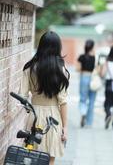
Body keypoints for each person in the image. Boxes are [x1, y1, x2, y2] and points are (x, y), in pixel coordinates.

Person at [20, 31, 70, 165]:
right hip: (53, 119)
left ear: (41, 46)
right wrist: (65, 127)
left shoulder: (29, 68)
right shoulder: (61, 70)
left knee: (30, 158)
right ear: (57, 48)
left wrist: (31, 106)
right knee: (49, 158)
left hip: (34, 116)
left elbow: (23, 96)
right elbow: (63, 102)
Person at [76, 39, 96, 128]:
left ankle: (83, 113)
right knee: (91, 101)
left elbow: (78, 69)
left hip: (84, 77)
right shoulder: (96, 57)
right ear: (93, 47)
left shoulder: (82, 56)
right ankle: (89, 123)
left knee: (83, 99)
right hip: (93, 78)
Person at [100, 46, 113, 129]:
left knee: (107, 103)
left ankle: (108, 114)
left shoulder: (107, 62)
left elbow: (102, 74)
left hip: (109, 83)